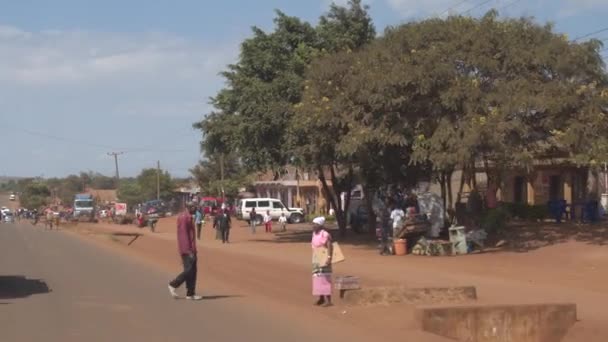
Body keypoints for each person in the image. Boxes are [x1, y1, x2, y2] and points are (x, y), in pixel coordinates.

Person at [168, 203, 202, 300]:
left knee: (193, 271)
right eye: (194, 207)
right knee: (189, 270)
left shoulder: (189, 217)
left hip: (192, 249)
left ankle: (190, 294)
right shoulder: (183, 218)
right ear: (188, 207)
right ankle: (173, 284)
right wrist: (188, 251)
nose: (196, 208)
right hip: (187, 249)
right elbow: (183, 236)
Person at [311, 217, 333, 307]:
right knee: (317, 278)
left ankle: (328, 301)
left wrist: (329, 258)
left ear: (320, 225)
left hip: (324, 258)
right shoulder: (314, 234)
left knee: (325, 279)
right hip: (316, 258)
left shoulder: (325, 234)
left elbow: (330, 246)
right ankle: (321, 298)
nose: (313, 226)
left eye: (315, 224)